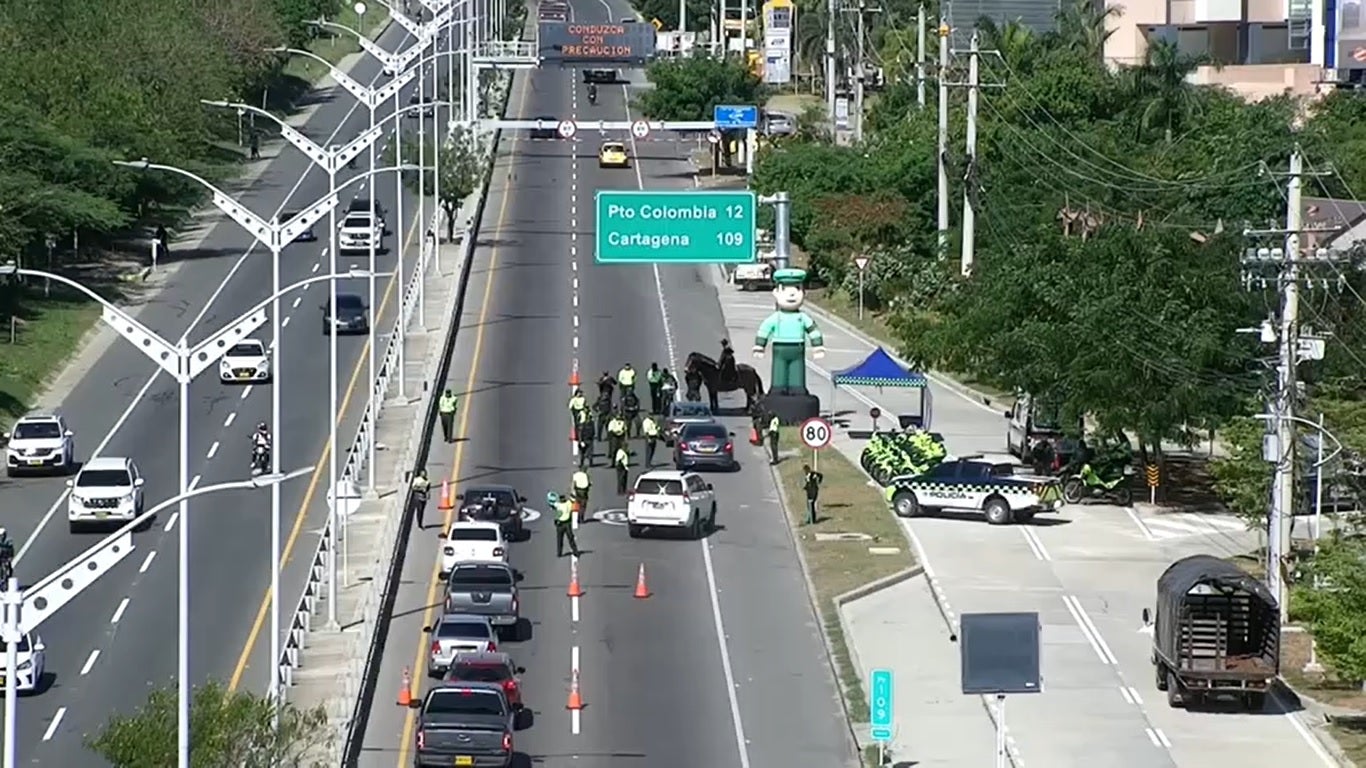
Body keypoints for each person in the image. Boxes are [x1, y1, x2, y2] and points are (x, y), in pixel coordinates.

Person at [550, 492, 581, 558]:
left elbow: (552, 504)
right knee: (570, 538)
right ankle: (575, 552)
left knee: (560, 539)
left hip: (560, 524)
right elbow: (573, 500)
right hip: (567, 524)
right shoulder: (568, 503)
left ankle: (559, 553)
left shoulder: (557, 505)